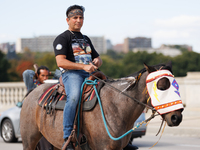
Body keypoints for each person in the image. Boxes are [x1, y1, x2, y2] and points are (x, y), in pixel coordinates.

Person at [53, 5, 102, 150]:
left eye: (81, 18)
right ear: (67, 20)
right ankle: (68, 137)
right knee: (74, 97)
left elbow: (98, 58)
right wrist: (84, 67)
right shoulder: (62, 38)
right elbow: (60, 62)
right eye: (75, 18)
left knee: (111, 92)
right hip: (71, 74)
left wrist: (98, 61)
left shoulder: (86, 39)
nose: (78, 20)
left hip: (90, 74)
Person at [22, 64, 59, 150]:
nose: (45, 78)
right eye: (42, 76)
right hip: (33, 114)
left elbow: (61, 74)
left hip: (46, 114)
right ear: (37, 76)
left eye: (47, 76)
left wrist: (51, 73)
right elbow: (26, 73)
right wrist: (35, 73)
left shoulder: (51, 84)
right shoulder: (33, 84)